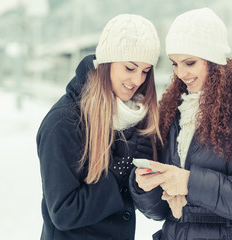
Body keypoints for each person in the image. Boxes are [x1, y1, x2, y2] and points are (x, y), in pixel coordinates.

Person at [129, 8, 232, 240]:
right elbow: (163, 212)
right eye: (174, 64)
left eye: (190, 62)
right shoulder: (176, 111)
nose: (181, 73)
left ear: (213, 60)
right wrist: (146, 187)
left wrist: (189, 182)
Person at [36, 13, 161, 240]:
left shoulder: (135, 119)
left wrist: (144, 182)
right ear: (107, 63)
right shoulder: (64, 122)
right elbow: (63, 212)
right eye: (130, 68)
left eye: (145, 71)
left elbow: (151, 207)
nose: (138, 80)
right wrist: (118, 172)